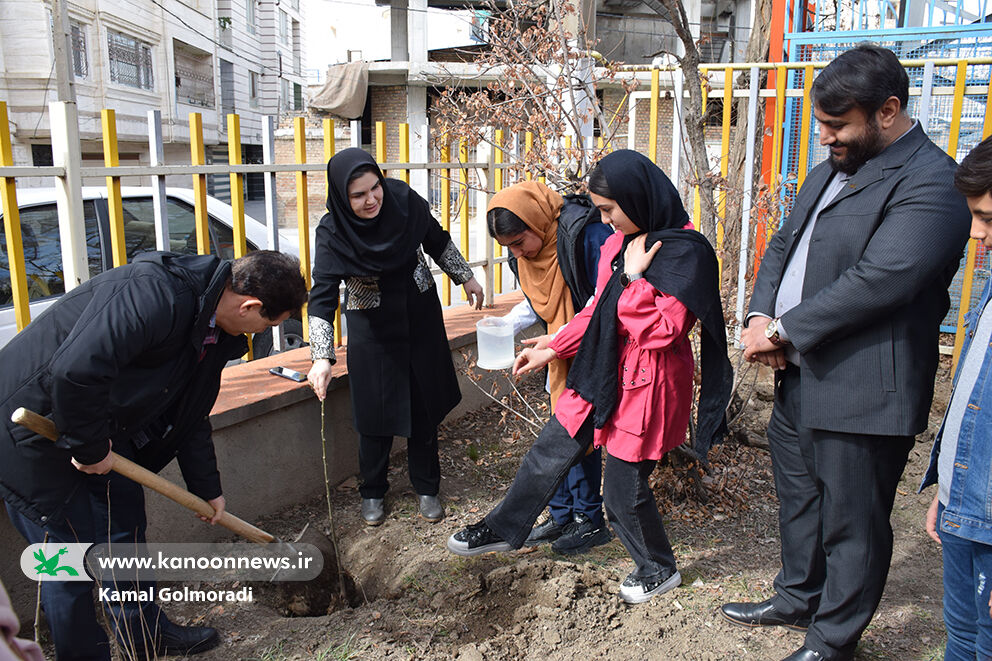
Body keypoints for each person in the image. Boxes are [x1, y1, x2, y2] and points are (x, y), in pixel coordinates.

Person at [722, 44, 970, 661]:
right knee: (800, 498)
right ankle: (799, 595)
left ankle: (834, 640)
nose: (826, 137)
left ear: (887, 111)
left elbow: (882, 278)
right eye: (822, 124)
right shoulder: (835, 164)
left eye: (838, 125)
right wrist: (760, 313)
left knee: (854, 521)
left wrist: (782, 331)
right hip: (802, 375)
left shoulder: (932, 183)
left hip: (865, 386)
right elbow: (782, 242)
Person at [447, 150, 732, 605]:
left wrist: (631, 281)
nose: (604, 220)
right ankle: (502, 527)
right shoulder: (617, 244)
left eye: (608, 210)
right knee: (550, 448)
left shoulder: (686, 252)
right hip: (600, 367)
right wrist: (553, 346)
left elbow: (663, 330)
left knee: (622, 492)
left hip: (648, 385)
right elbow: (598, 311)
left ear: (636, 199)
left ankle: (658, 567)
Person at [0, 250, 308, 661]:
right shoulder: (155, 295)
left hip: (98, 427)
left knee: (124, 530)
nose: (261, 333)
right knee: (66, 559)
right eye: (267, 323)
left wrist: (208, 490)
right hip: (29, 428)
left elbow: (191, 412)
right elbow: (75, 371)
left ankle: (144, 635)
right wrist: (91, 450)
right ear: (249, 305)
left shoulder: (212, 329)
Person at [307, 148, 484, 526]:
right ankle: (372, 491)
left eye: (375, 188)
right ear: (342, 196)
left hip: (419, 316)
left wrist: (465, 275)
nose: (371, 199)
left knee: (423, 407)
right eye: (358, 195)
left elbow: (437, 239)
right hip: (371, 329)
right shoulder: (332, 232)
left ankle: (426, 486)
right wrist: (321, 357)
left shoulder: (403, 200)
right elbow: (321, 296)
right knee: (374, 413)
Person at [488, 181, 614, 555]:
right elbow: (539, 298)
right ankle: (562, 515)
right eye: (508, 247)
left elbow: (603, 297)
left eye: (518, 242)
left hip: (589, 346)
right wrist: (507, 323)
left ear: (537, 221)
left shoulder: (583, 234)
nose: (517, 254)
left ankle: (589, 521)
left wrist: (564, 339)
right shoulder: (525, 255)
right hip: (555, 349)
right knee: (558, 428)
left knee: (578, 435)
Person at [921, 135, 992, 661]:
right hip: (967, 505)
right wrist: (947, 491)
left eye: (988, 217)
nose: (976, 234)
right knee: (962, 639)